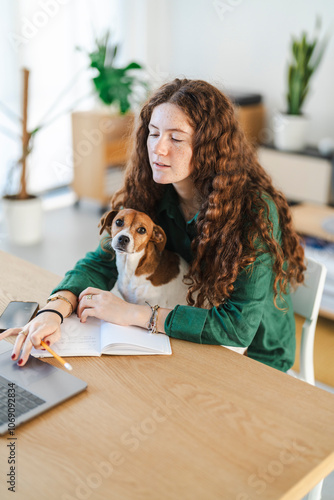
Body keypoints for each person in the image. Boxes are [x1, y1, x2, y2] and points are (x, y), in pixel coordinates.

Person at [0, 78, 306, 372]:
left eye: (176, 138)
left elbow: (238, 327)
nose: (158, 149)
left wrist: (133, 314)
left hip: (252, 353)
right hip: (186, 326)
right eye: (154, 133)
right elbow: (104, 260)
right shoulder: (152, 190)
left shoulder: (254, 211)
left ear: (210, 147)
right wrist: (55, 309)